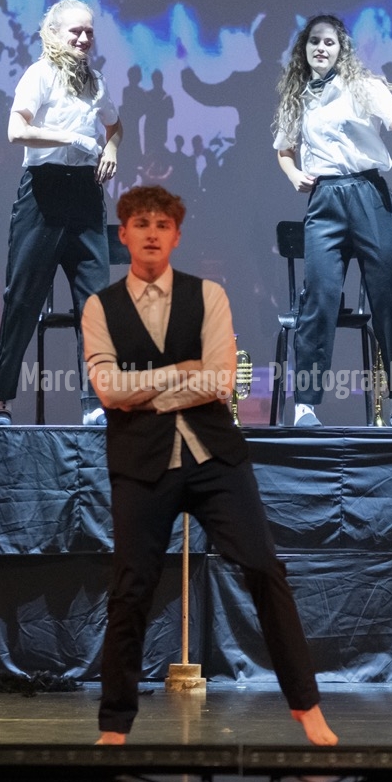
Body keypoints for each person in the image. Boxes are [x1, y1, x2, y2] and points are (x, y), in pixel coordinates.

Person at [82, 186, 337, 746]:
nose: (152, 233)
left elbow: (220, 381)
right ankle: (115, 725)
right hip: (141, 462)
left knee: (264, 569)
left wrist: (145, 389)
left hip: (214, 456)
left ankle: (306, 706)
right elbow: (107, 390)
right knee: (131, 588)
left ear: (176, 235)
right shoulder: (101, 307)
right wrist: (181, 372)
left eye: (162, 225)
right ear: (123, 235)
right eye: (141, 224)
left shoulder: (209, 296)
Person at [274, 14, 392, 428]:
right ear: (304, 48)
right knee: (319, 297)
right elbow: (284, 149)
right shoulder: (298, 97)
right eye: (314, 41)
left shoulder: (363, 86)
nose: (321, 48)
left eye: (330, 42)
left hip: (368, 195)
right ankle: (305, 405)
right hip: (325, 200)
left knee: (388, 296)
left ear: (342, 49)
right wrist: (292, 173)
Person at [0, 0, 122, 427]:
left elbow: (114, 126)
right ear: (53, 34)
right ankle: (3, 403)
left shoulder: (95, 82)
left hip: (85, 195)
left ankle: (94, 404)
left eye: (89, 32)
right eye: (75, 32)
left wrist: (111, 149)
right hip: (43, 194)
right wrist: (71, 138)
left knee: (95, 304)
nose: (83, 39)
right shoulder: (40, 74)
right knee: (22, 299)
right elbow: (17, 130)